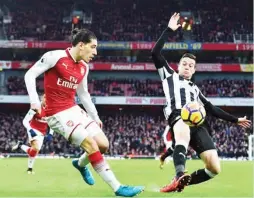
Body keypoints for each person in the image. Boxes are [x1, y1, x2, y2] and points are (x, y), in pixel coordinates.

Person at [24, 28, 144, 197]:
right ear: (81, 45)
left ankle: (80, 164)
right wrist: (35, 101)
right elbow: (30, 75)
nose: (95, 52)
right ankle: (118, 187)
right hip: (57, 114)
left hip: (73, 109)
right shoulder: (55, 57)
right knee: (91, 145)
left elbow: (83, 94)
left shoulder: (84, 67)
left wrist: (95, 117)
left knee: (103, 145)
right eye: (93, 47)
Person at [151, 13, 252, 193]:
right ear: (179, 65)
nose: (187, 67)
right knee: (182, 134)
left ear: (194, 69)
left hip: (197, 123)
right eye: (184, 64)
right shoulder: (169, 75)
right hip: (179, 115)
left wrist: (235, 120)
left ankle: (180, 183)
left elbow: (212, 109)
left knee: (214, 168)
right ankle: (179, 174)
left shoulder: (196, 91)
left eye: (191, 65)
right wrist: (169, 30)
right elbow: (155, 53)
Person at [12, 94, 53, 174]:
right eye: (45, 98)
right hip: (33, 129)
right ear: (42, 98)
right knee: (36, 147)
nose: (47, 100)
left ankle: (21, 146)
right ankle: (29, 169)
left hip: (42, 132)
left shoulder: (51, 110)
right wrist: (30, 130)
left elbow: (52, 122)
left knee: (34, 151)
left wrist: (51, 133)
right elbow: (25, 121)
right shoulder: (36, 107)